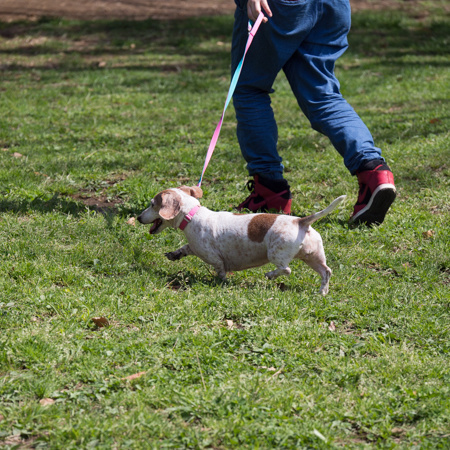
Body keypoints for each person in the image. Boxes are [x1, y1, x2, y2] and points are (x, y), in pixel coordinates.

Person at [231, 0, 396, 226]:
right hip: (333, 5)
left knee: (249, 89)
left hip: (280, 7)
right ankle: (373, 171)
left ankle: (269, 191)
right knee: (322, 95)